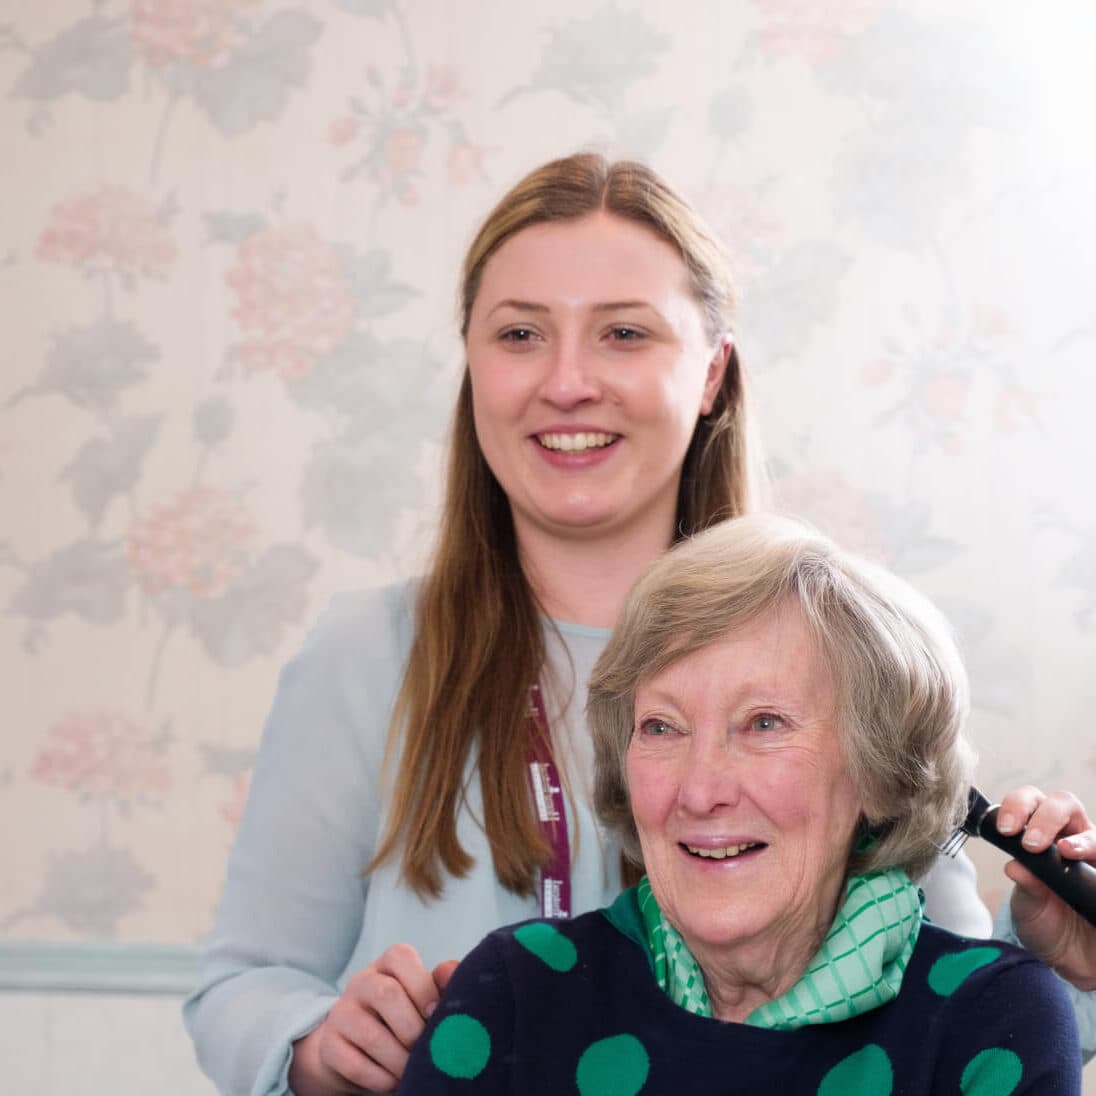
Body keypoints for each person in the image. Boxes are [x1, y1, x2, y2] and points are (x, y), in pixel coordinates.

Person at [183, 152, 1096, 1096]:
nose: (569, 382)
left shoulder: (848, 653)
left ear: (713, 373)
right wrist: (315, 1044)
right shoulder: (366, 655)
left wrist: (1080, 974)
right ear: (472, 366)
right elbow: (240, 987)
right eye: (520, 334)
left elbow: (942, 1005)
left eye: (623, 333)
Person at [397, 514, 1081, 1094]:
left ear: (878, 773)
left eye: (764, 724)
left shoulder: (989, 1018)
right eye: (661, 727)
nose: (699, 791)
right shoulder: (515, 993)